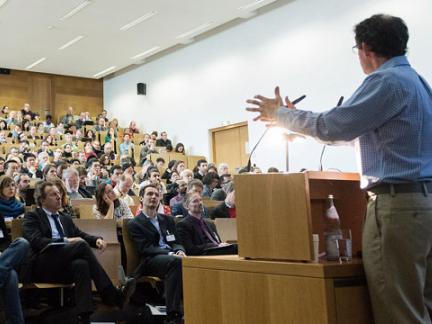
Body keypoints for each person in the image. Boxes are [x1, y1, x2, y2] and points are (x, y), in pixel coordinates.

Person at [246, 14, 432, 324]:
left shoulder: (384, 81)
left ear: (365, 48)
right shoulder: (418, 83)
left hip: (397, 208)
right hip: (423, 204)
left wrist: (280, 115)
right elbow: (362, 137)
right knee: (423, 305)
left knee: (401, 312)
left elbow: (332, 126)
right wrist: (298, 125)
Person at [22, 181, 136, 323]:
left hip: (63, 267)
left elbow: (80, 234)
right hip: (42, 266)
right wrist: (67, 241)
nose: (59, 197)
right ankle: (111, 294)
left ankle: (84, 315)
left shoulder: (64, 217)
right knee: (80, 246)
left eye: (59, 193)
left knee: (81, 264)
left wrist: (96, 240)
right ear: (42, 199)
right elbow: (36, 242)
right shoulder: (32, 216)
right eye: (53, 194)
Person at [127, 184, 185, 324]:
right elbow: (145, 248)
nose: (153, 197)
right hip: (150, 260)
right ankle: (173, 313)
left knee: (190, 262)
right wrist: (170, 253)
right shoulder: (135, 223)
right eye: (149, 194)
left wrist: (179, 250)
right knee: (175, 262)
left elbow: (176, 241)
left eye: (156, 194)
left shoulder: (167, 220)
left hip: (171, 257)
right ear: (141, 198)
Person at [0, 217, 29, 324]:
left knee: (22, 243)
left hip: (2, 257)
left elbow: (5, 241)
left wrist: (2, 253)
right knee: (11, 275)